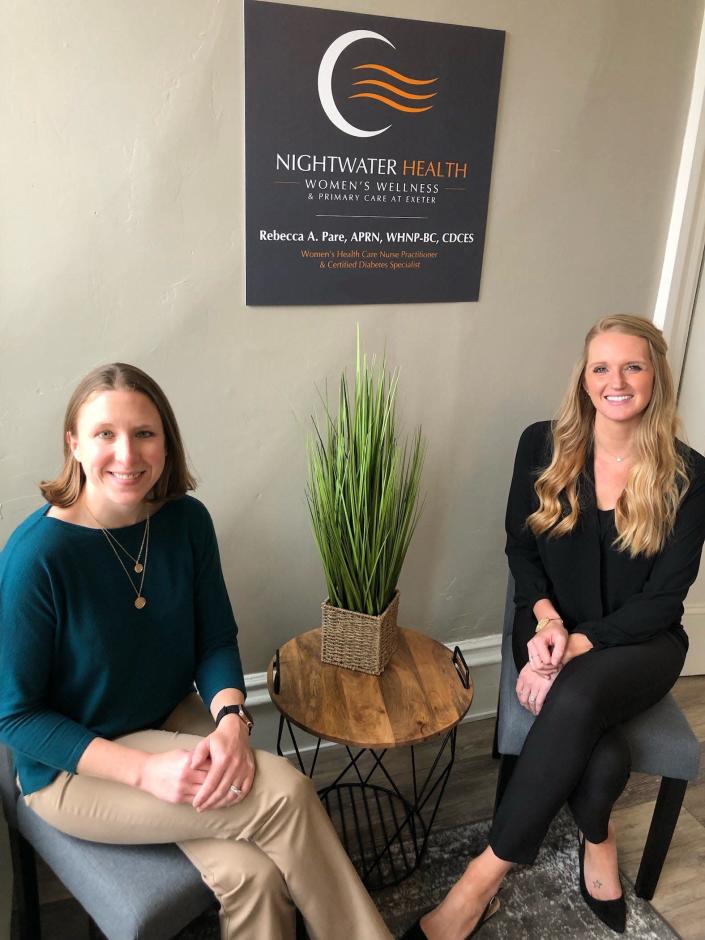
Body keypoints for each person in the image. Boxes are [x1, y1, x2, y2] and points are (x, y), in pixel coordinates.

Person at [0, 363, 391, 940]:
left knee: (252, 874)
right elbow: (17, 717)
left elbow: (214, 638)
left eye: (144, 433)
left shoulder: (186, 522)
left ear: (167, 441)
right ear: (74, 445)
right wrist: (146, 773)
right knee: (284, 793)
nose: (127, 454)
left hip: (168, 719)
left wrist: (232, 720)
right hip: (71, 770)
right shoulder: (38, 558)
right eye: (105, 433)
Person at [403, 315, 705, 939]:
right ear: (584, 377)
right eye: (602, 367)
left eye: (633, 366)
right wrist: (545, 619)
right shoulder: (541, 444)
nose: (616, 381)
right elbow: (522, 549)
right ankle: (598, 831)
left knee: (580, 690)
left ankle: (480, 880)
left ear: (656, 377)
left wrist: (578, 646)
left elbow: (665, 601)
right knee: (602, 751)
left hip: (639, 643)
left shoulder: (689, 475)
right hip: (544, 622)